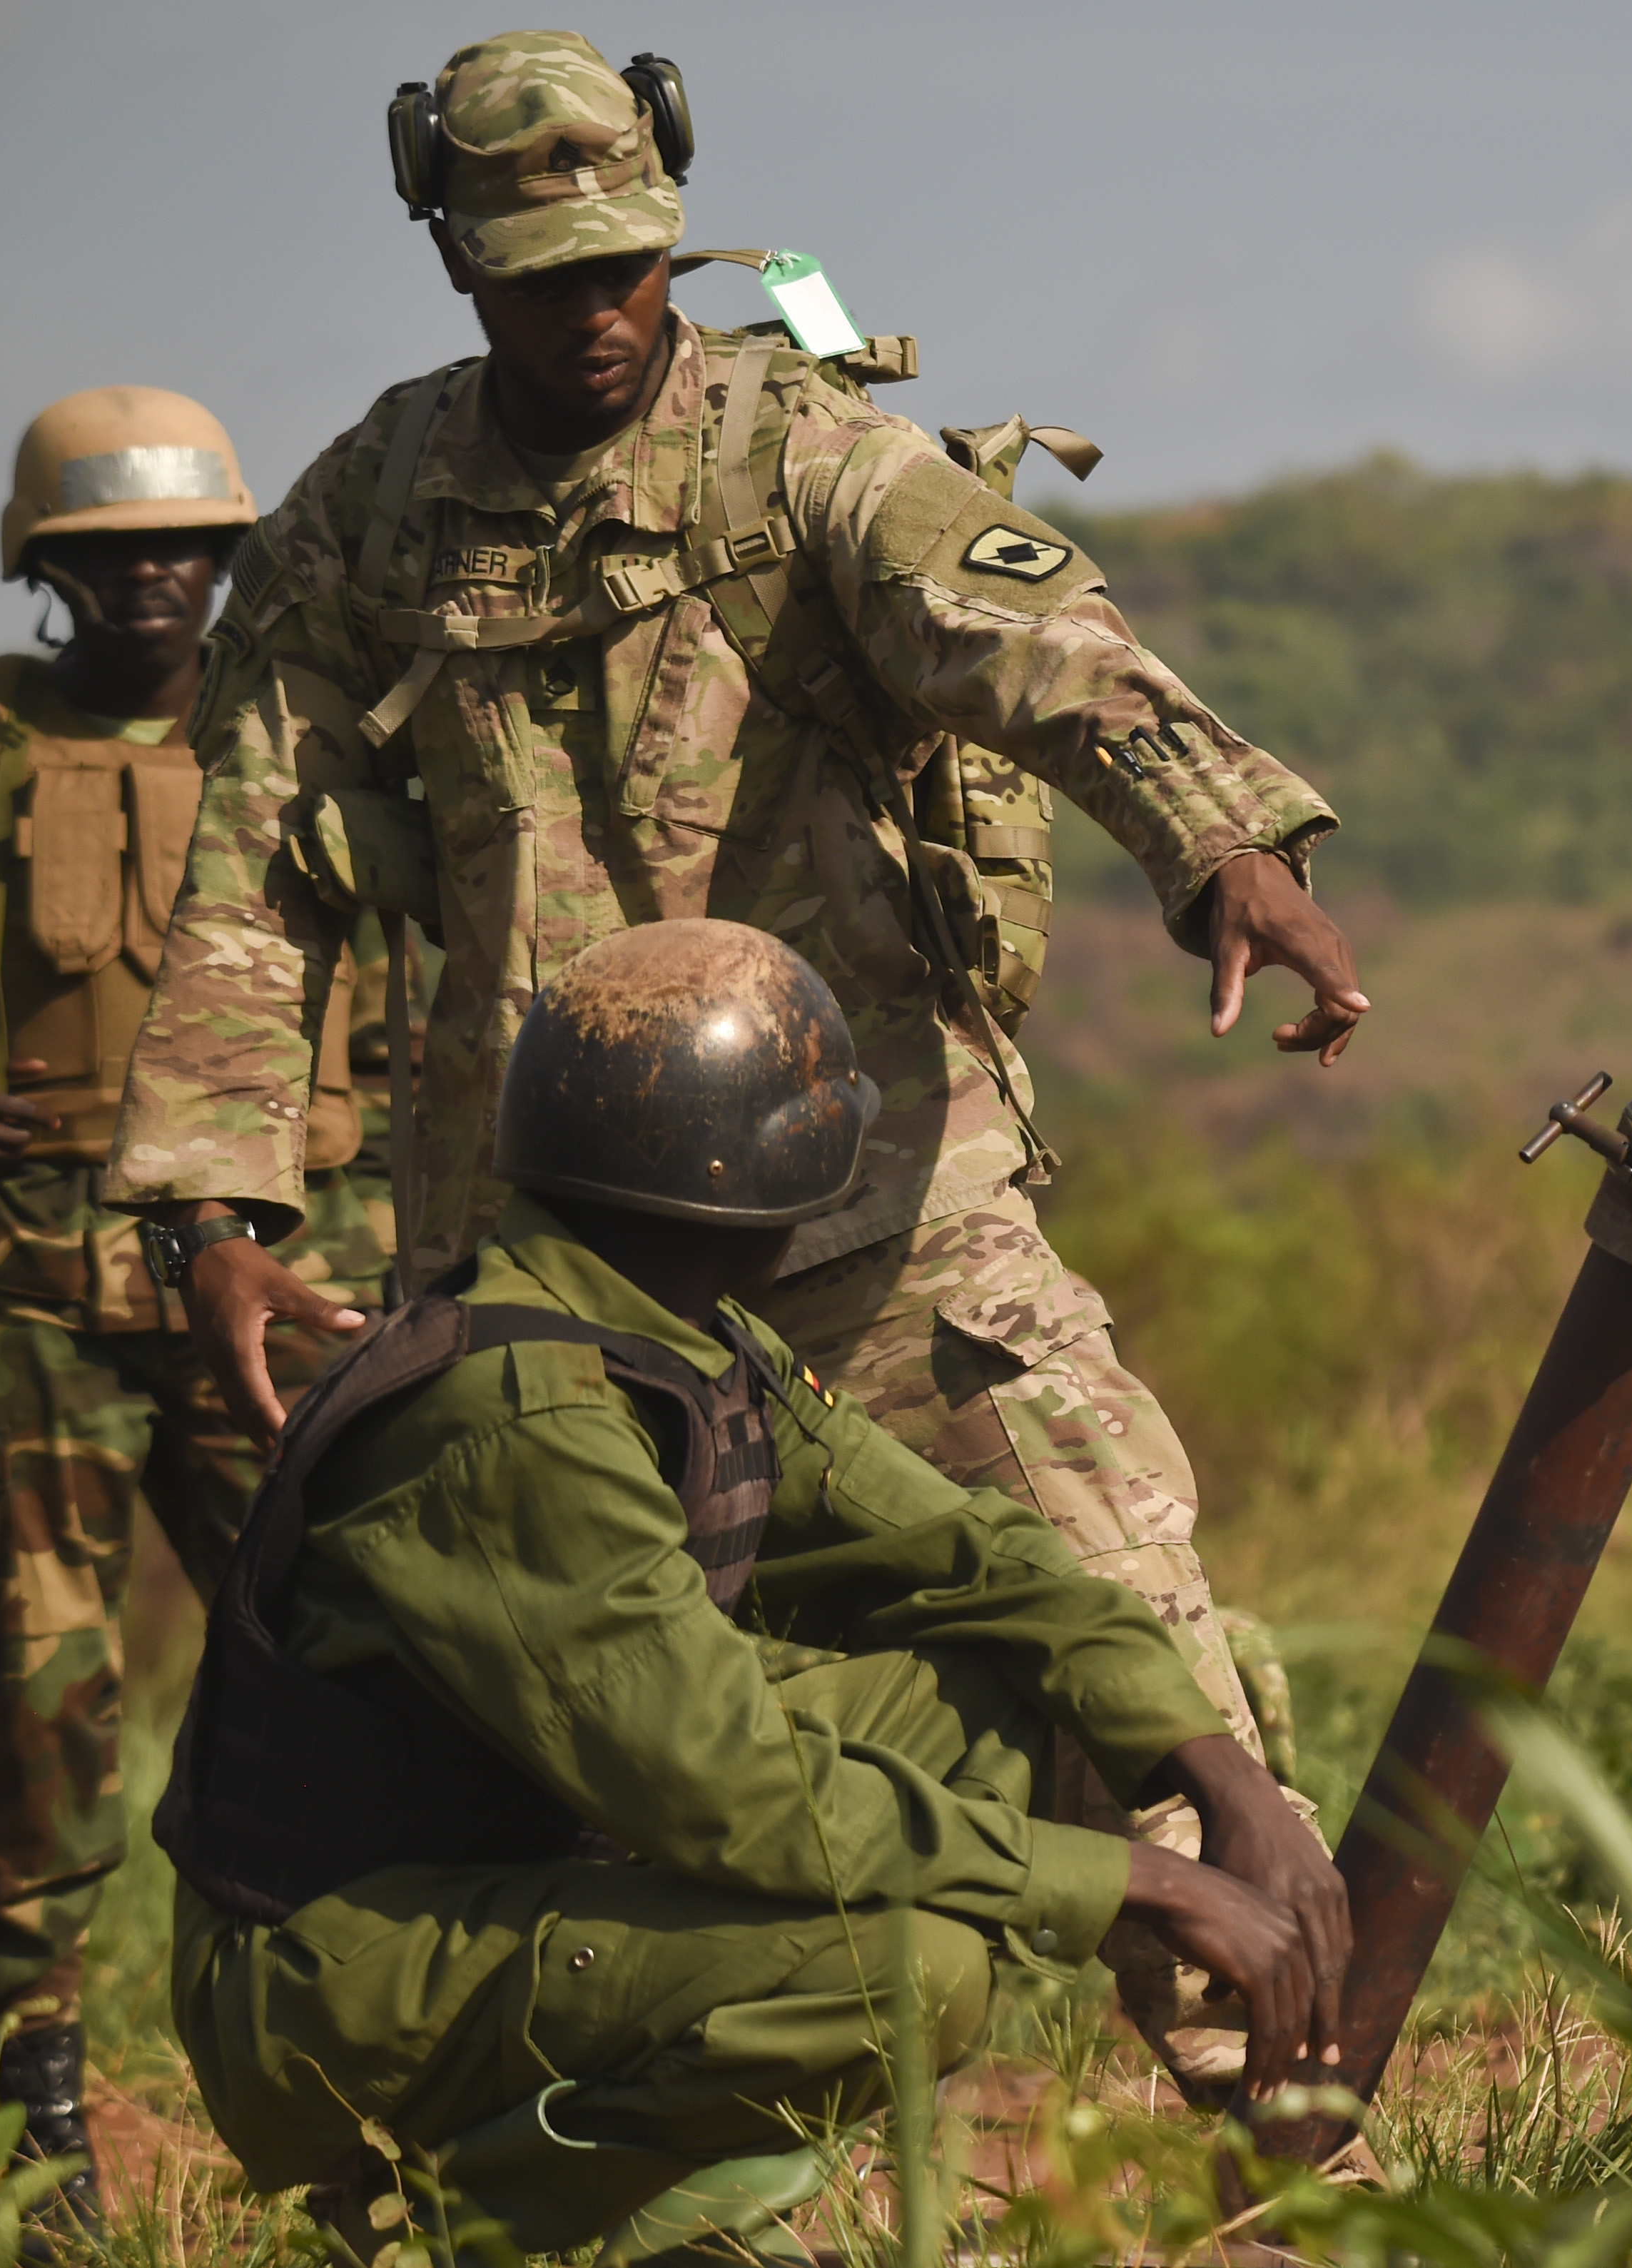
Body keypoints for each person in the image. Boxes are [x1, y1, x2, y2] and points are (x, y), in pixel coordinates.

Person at [101, 31, 1358, 2085]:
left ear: (674, 240)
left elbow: (1032, 642)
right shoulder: (371, 516)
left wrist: (1212, 836)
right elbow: (258, 851)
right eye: (540, 278)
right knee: (613, 1773)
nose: (594, 315)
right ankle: (672, 2188)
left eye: (627, 268)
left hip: (877, 1226)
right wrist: (221, 1205)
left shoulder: (807, 456)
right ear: (454, 260)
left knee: (1144, 1661)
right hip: (560, 1287)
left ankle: (1286, 2138)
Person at [158, 920, 1346, 2265]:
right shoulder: (514, 1417)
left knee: (1023, 1693)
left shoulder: (678, 1337)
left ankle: (660, 2209)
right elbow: (731, 1787)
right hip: (335, 1970)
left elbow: (977, 1557)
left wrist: (1212, 1770)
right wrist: (1127, 1877)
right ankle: (460, 2228)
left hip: (507, 1866)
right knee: (904, 1975)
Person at [0, 386, 390, 2225]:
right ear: (51, 568)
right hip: (25, 1275)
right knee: (32, 1676)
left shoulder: (313, 736)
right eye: (113, 553)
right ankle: (33, 2073)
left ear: (227, 561)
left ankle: (357, 2022)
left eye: (185, 551)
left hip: (276, 1266)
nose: (153, 583)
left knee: (345, 1647)